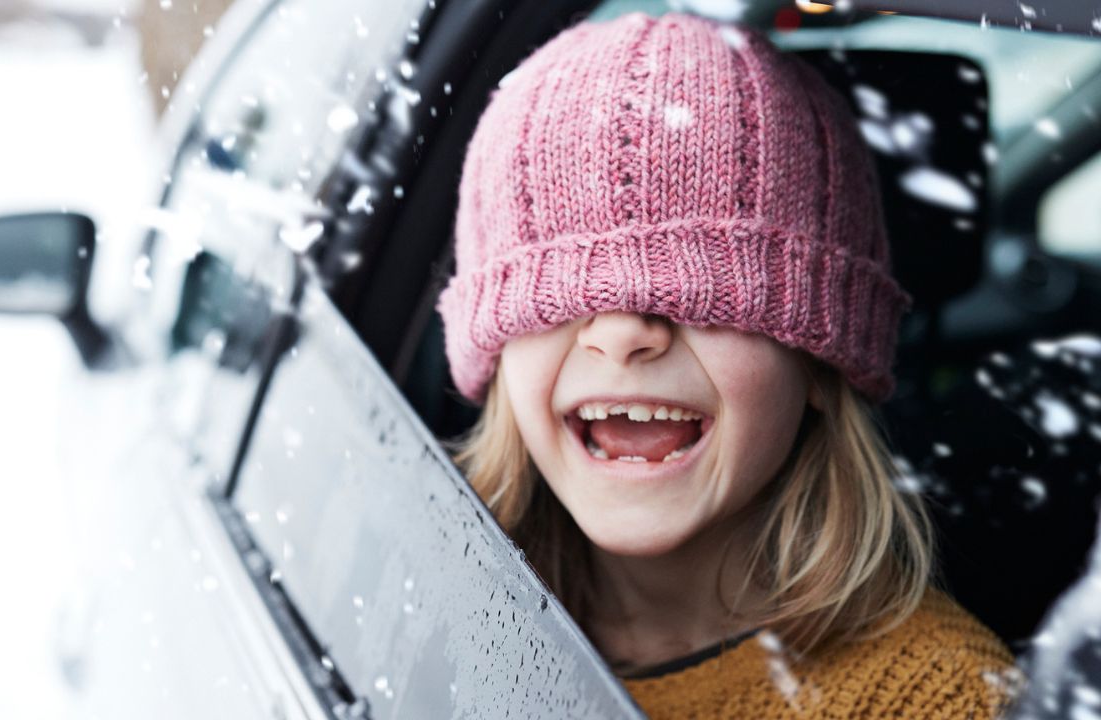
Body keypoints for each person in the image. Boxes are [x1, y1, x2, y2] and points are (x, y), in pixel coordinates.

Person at [436, 12, 1021, 719]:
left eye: (705, 287)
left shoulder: (941, 701)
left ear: (816, 362)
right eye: (556, 292)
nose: (621, 336)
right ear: (496, 356)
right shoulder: (429, 599)